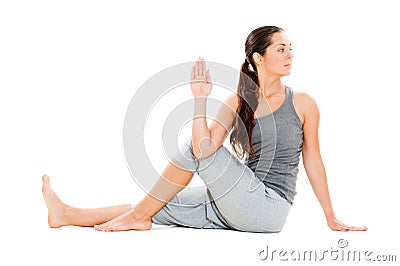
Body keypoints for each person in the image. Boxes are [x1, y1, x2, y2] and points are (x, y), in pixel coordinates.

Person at [42, 26, 367, 233]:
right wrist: (200, 99)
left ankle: (135, 218)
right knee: (161, 202)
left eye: (290, 48)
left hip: (270, 209)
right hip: (239, 202)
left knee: (191, 153)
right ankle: (68, 214)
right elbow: (204, 148)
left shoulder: (304, 103)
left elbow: (314, 162)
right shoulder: (237, 102)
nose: (289, 54)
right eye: (281, 49)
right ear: (258, 57)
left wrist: (331, 216)